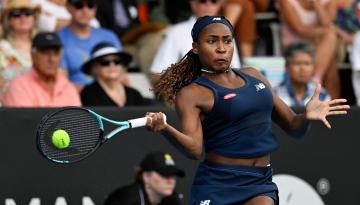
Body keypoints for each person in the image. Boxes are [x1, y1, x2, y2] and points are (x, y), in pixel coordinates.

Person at [145, 16, 350, 204]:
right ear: (196, 47)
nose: (221, 48)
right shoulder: (191, 93)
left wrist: (307, 117)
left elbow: (293, 127)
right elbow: (194, 150)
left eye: (227, 40)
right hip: (217, 183)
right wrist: (165, 128)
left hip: (259, 182)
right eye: (212, 41)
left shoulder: (255, 76)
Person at [148, 0, 241, 85]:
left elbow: (236, 71)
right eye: (203, 0)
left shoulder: (227, 32)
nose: (208, 5)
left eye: (214, 0)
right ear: (193, 3)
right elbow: (156, 74)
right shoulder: (177, 32)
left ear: (220, 3)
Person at [277, 0, 340, 99]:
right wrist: (328, 30)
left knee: (331, 64)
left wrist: (316, 3)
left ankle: (332, 107)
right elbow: (300, 29)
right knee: (331, 35)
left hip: (318, 48)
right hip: (294, 48)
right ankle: (314, 78)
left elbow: (327, 22)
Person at [1, 32, 81, 107]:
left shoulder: (68, 87)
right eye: (45, 53)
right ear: (32, 55)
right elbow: (23, 121)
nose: (51, 59)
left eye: (56, 53)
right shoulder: (18, 87)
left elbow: (79, 119)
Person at [58, 0, 123, 91]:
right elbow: (60, 83)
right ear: (68, 7)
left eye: (90, 5)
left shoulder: (109, 36)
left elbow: (122, 76)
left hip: (110, 97)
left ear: (95, 8)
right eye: (79, 5)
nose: (85, 10)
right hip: (77, 99)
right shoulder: (59, 40)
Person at [80, 42, 157, 107]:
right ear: (95, 67)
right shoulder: (88, 94)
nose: (112, 65)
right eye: (105, 62)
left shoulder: (134, 94)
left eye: (116, 61)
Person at [104, 151, 185, 205]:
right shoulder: (125, 200)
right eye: (165, 175)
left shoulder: (173, 200)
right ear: (146, 177)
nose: (171, 181)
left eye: (173, 175)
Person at [0, 0, 40, 101]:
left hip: (39, 105)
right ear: (8, 20)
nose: (23, 18)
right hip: (8, 107)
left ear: (34, 17)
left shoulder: (44, 45)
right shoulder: (2, 48)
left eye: (28, 13)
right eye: (16, 14)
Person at [275, 42, 330, 107]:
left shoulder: (322, 95)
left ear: (314, 68)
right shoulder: (275, 95)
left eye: (307, 64)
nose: (303, 69)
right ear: (287, 67)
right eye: (297, 63)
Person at [32, 0, 99, 32]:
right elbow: (47, 24)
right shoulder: (35, 2)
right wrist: (80, 21)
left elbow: (94, 24)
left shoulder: (79, 3)